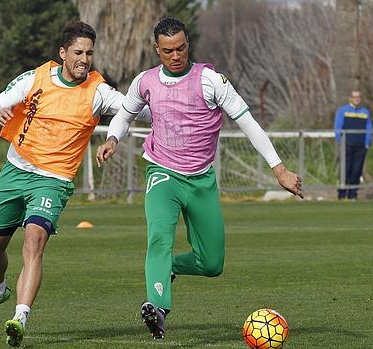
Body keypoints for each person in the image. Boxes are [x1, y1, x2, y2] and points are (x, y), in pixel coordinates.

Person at [96, 17, 303, 340]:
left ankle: (170, 268)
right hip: (162, 173)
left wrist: (279, 169)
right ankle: (158, 308)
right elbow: (125, 113)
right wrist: (112, 139)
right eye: (167, 51)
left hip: (201, 180)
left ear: (187, 44)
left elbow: (247, 122)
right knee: (159, 237)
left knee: (211, 263)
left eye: (180, 48)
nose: (175, 55)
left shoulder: (211, 81)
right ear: (157, 50)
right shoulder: (145, 81)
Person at [0, 21, 149, 347]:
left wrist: (166, 102)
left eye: (90, 53)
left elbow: (134, 109)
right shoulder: (34, 79)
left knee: (34, 241)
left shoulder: (98, 91)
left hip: (54, 180)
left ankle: (19, 317)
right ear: (62, 53)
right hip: (15, 170)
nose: (84, 59)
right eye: (78, 52)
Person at [334, 90, 373, 200]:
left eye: (358, 97)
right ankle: (342, 194)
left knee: (357, 170)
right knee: (345, 169)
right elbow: (338, 127)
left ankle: (353, 195)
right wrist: (340, 142)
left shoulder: (365, 112)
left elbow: (369, 128)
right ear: (350, 98)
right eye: (354, 97)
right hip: (346, 145)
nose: (357, 99)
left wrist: (367, 143)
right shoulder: (343, 111)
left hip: (360, 146)